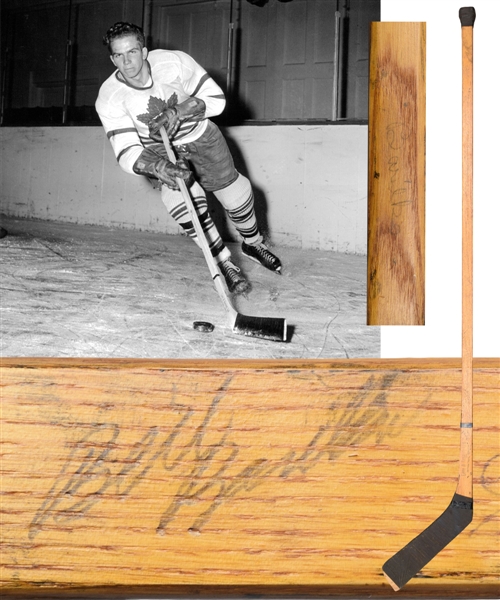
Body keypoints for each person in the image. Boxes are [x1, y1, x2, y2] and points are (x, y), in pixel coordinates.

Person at [95, 21, 282, 295]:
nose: (128, 62)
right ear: (112, 58)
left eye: (132, 52)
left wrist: (179, 111)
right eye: (119, 56)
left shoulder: (174, 62)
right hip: (160, 150)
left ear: (144, 51)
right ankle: (224, 261)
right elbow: (125, 150)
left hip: (202, 136)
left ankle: (253, 243)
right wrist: (158, 167)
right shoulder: (109, 97)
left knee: (235, 193)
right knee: (182, 203)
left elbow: (216, 100)